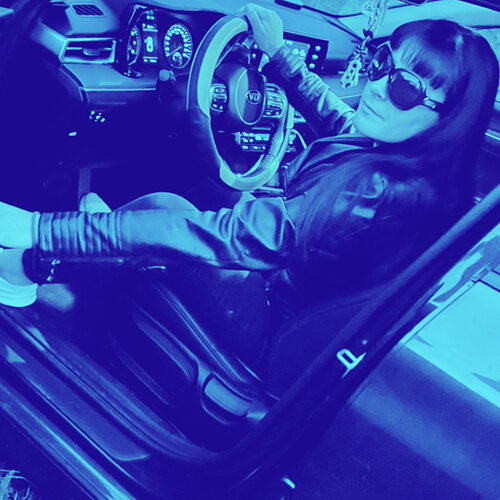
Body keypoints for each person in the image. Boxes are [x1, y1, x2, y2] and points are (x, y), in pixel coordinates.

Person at [0, 5, 498, 333]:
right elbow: (338, 119)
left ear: (446, 120)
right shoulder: (413, 168)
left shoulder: (375, 194)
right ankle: (86, 250)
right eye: (382, 63)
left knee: (166, 209)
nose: (376, 87)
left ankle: (34, 270)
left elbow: (221, 234)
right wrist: (279, 55)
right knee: (165, 211)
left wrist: (40, 227)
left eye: (405, 88)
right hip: (294, 291)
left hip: (270, 317)